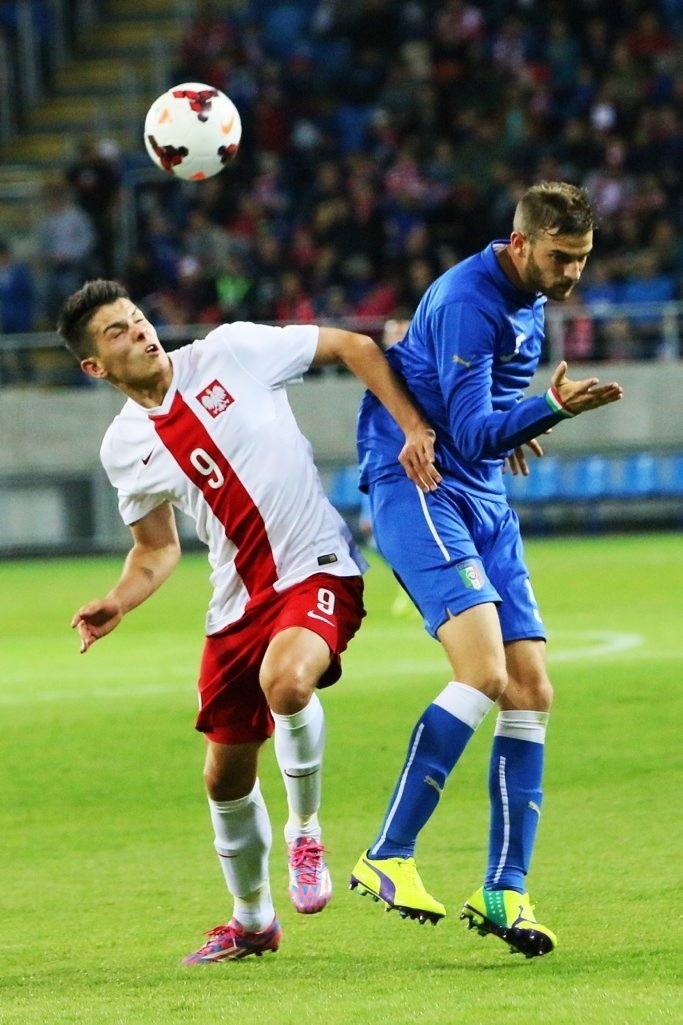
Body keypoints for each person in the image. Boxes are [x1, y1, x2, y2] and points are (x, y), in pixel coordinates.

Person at [58, 278, 439, 965]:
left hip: (317, 566)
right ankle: (253, 920)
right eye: (116, 332)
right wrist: (119, 598)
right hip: (237, 599)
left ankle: (306, 829)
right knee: (223, 777)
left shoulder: (232, 351)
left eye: (138, 318)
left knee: (287, 682)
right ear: (95, 366)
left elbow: (352, 345)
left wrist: (412, 425)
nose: (139, 332)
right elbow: (155, 546)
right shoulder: (124, 445)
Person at [349, 181, 623, 958]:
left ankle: (503, 887)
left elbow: (475, 404)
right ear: (520, 242)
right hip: (421, 485)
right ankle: (387, 854)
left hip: (479, 491)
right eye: (561, 257)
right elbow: (466, 432)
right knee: (482, 674)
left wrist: (515, 419)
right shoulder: (475, 299)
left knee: (531, 685)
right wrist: (550, 409)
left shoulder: (526, 293)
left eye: (581, 259)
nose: (572, 274)